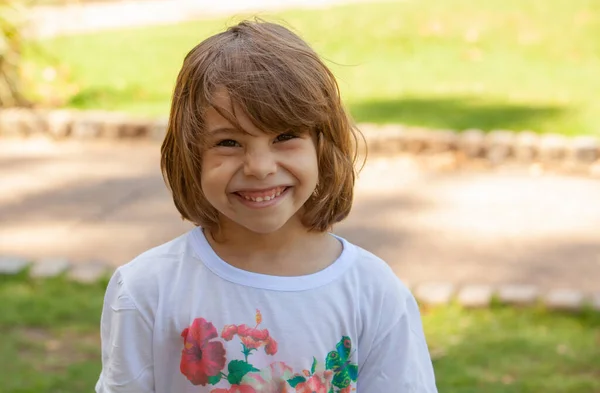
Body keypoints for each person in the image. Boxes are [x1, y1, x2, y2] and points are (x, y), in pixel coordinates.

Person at [95, 19, 438, 393]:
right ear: (190, 154)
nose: (259, 167)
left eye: (285, 136)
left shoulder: (374, 293)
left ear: (322, 146)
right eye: (228, 142)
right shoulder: (147, 290)